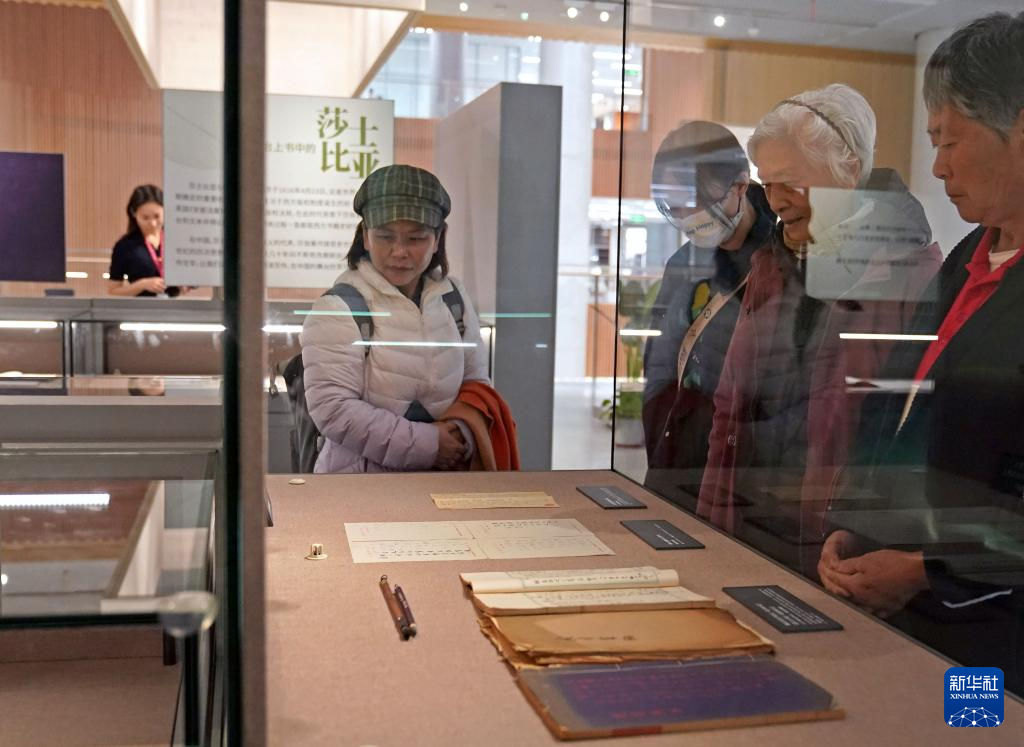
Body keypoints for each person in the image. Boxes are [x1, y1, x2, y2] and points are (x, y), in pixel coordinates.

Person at [818, 13, 1024, 692]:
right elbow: (902, 408)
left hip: (998, 641)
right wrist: (858, 527)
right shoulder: (967, 256)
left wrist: (927, 571)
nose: (937, 166)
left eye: (951, 140)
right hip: (921, 629)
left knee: (976, 730)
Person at [697, 84, 940, 569]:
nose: (776, 201)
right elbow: (728, 412)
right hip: (750, 523)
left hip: (835, 544)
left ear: (848, 169)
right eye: (768, 183)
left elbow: (907, 442)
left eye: (790, 181)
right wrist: (709, 528)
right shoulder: (770, 265)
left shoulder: (914, 276)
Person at [301, 165, 490, 473]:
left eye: (416, 238)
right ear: (365, 236)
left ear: (437, 239)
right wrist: (430, 445)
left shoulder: (453, 299)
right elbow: (333, 409)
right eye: (385, 236)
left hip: (446, 480)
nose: (399, 251)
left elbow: (477, 383)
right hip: (362, 485)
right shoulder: (338, 308)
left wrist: (462, 433)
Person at [642, 121, 776, 505]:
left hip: (743, 469)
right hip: (676, 458)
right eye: (674, 205)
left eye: (697, 199)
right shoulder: (682, 264)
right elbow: (659, 363)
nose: (687, 216)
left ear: (740, 186)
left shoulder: (778, 262)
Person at [108, 184, 184, 297]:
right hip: (141, 306)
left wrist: (185, 284)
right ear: (133, 213)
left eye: (157, 216)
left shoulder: (176, 240)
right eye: (145, 218)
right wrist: (142, 285)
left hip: (176, 305)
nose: (152, 223)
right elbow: (113, 290)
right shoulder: (125, 246)